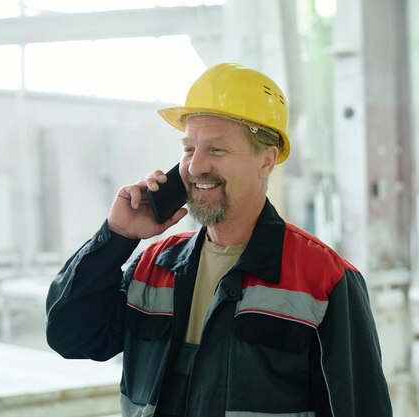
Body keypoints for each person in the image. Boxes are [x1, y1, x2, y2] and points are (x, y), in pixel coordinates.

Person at [45, 62, 392, 417]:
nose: (195, 167)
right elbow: (71, 336)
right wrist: (116, 237)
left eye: (217, 150)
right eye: (188, 149)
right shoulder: (154, 267)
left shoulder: (324, 280)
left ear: (266, 161)